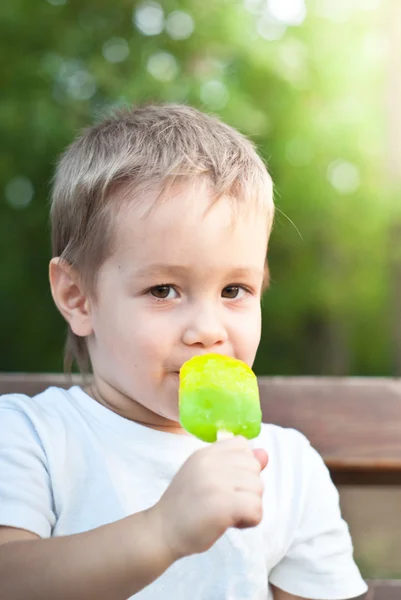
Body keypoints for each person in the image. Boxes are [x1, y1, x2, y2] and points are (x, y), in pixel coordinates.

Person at [0, 104, 367, 600]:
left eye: (235, 290)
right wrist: (161, 532)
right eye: (163, 290)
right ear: (77, 297)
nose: (207, 330)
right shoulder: (30, 439)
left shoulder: (287, 468)